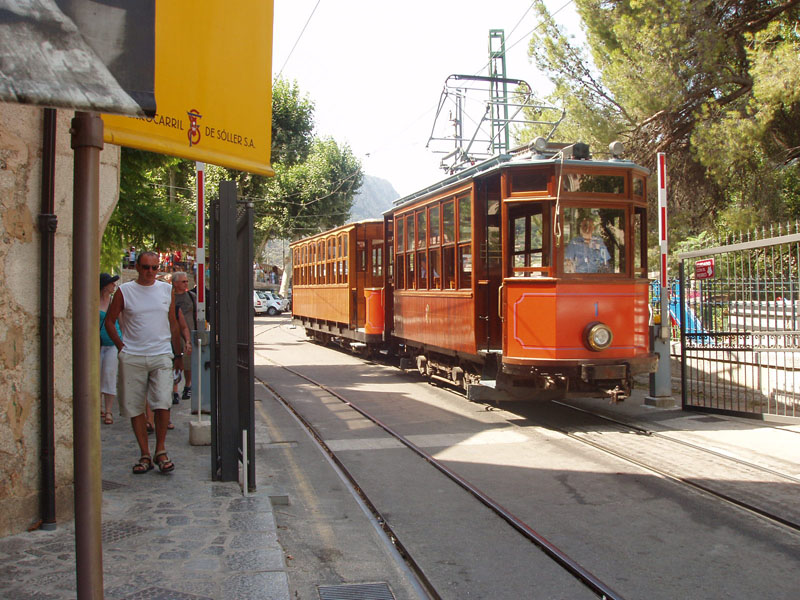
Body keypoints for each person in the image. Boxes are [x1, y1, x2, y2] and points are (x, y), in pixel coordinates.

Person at [104, 251, 183, 474]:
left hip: (160, 354)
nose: (150, 272)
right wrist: (122, 347)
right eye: (146, 267)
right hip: (133, 356)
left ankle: (160, 450)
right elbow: (110, 322)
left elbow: (173, 323)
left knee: (162, 402)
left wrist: (177, 355)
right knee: (135, 406)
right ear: (137, 267)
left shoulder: (166, 290)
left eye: (154, 268)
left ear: (159, 269)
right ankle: (144, 453)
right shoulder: (124, 291)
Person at [99, 273, 121, 425]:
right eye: (111, 283)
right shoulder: (93, 301)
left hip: (112, 342)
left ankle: (108, 410)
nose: (114, 285)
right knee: (96, 375)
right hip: (97, 343)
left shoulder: (114, 302)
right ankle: (98, 406)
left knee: (109, 374)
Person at [171, 271, 196, 403]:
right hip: (173, 335)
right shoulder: (169, 298)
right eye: (183, 281)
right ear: (175, 283)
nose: (186, 283)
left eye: (187, 281)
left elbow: (197, 315)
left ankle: (187, 386)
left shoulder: (192, 297)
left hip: (189, 334)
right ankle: (174, 391)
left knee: (188, 363)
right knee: (174, 362)